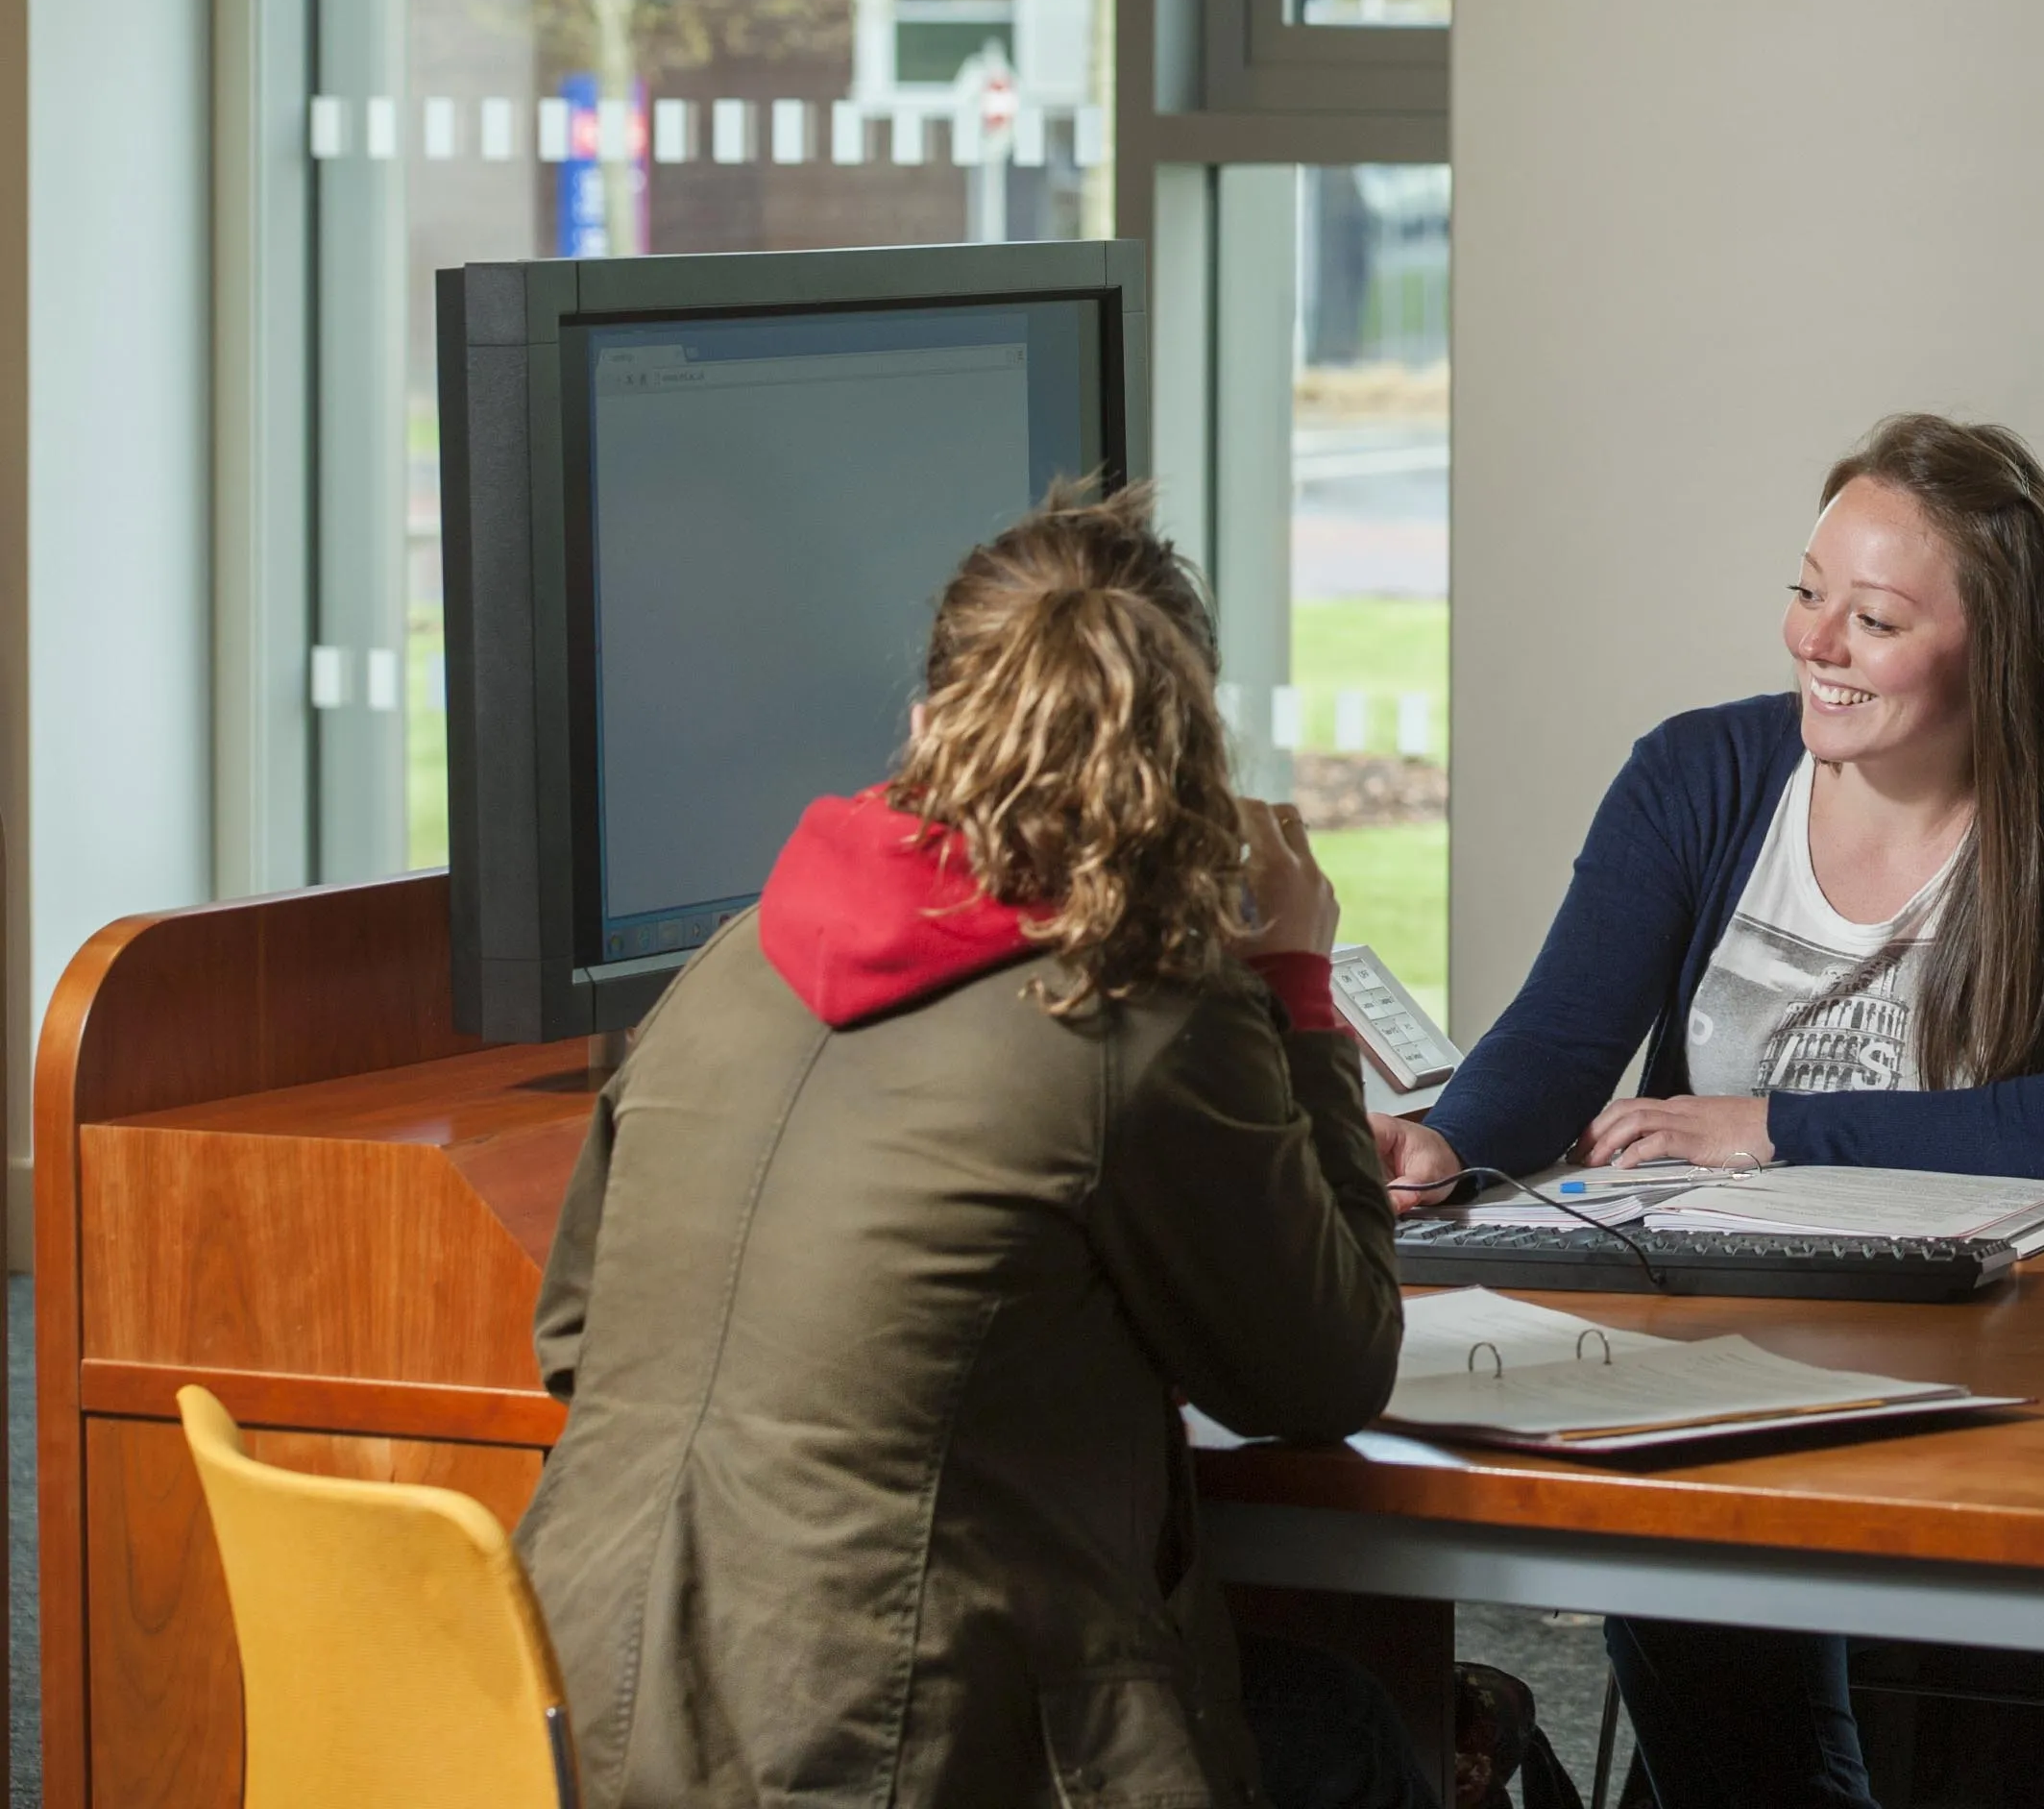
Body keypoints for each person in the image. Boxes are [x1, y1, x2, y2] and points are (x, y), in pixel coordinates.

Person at [515, 485, 1429, 1809]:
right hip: (884, 1757)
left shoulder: (722, 969)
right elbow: (1332, 1367)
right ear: (1187, 778)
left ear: (925, 725)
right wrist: (1294, 985)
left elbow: (575, 1343)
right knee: (1347, 1736)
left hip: (577, 1722)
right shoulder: (1145, 1024)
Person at [1378, 412, 2044, 1809]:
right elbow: (1564, 1037)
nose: (1814, 640)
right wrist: (1447, 1137)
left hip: (2002, 1346)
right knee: (1737, 1704)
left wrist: (1773, 1123)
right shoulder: (1697, 772)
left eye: (1872, 617)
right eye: (1806, 590)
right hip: (1717, 1319)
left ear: (1996, 646)